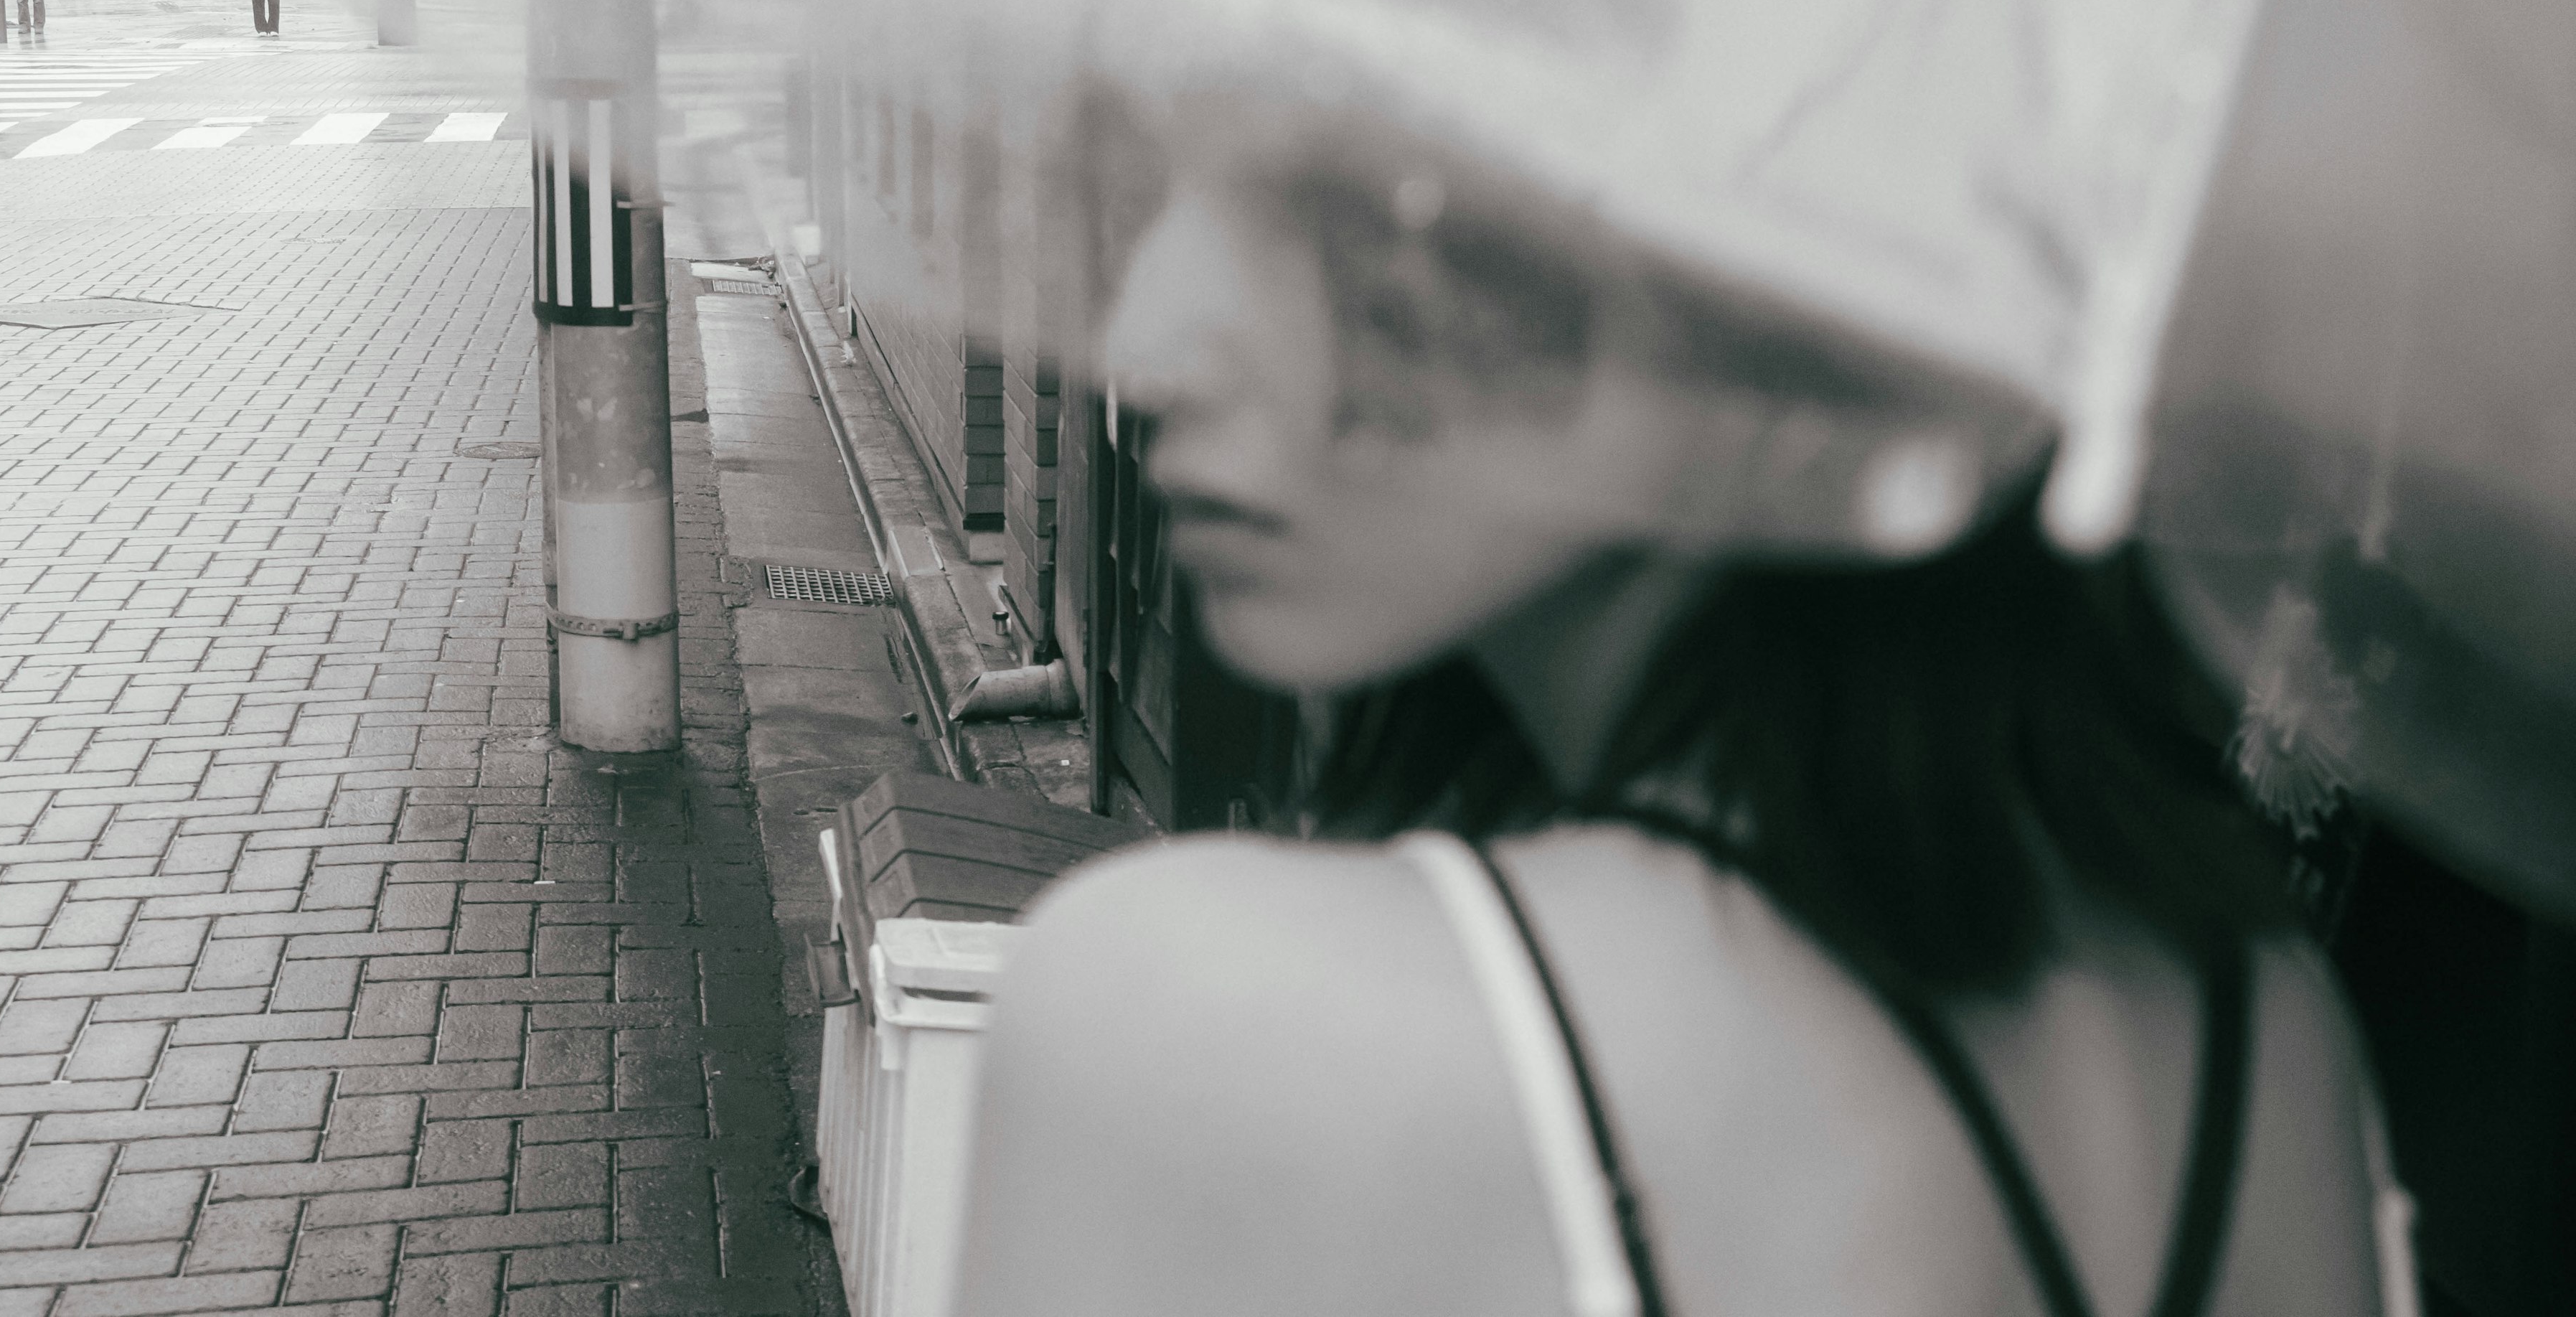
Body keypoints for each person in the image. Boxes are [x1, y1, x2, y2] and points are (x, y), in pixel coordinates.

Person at [950, 130, 2415, 1317]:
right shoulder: (2262, 1026)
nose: (1144, 342)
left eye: (1334, 188)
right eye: (1154, 166)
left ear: (1757, 256)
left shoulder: (1200, 1022)